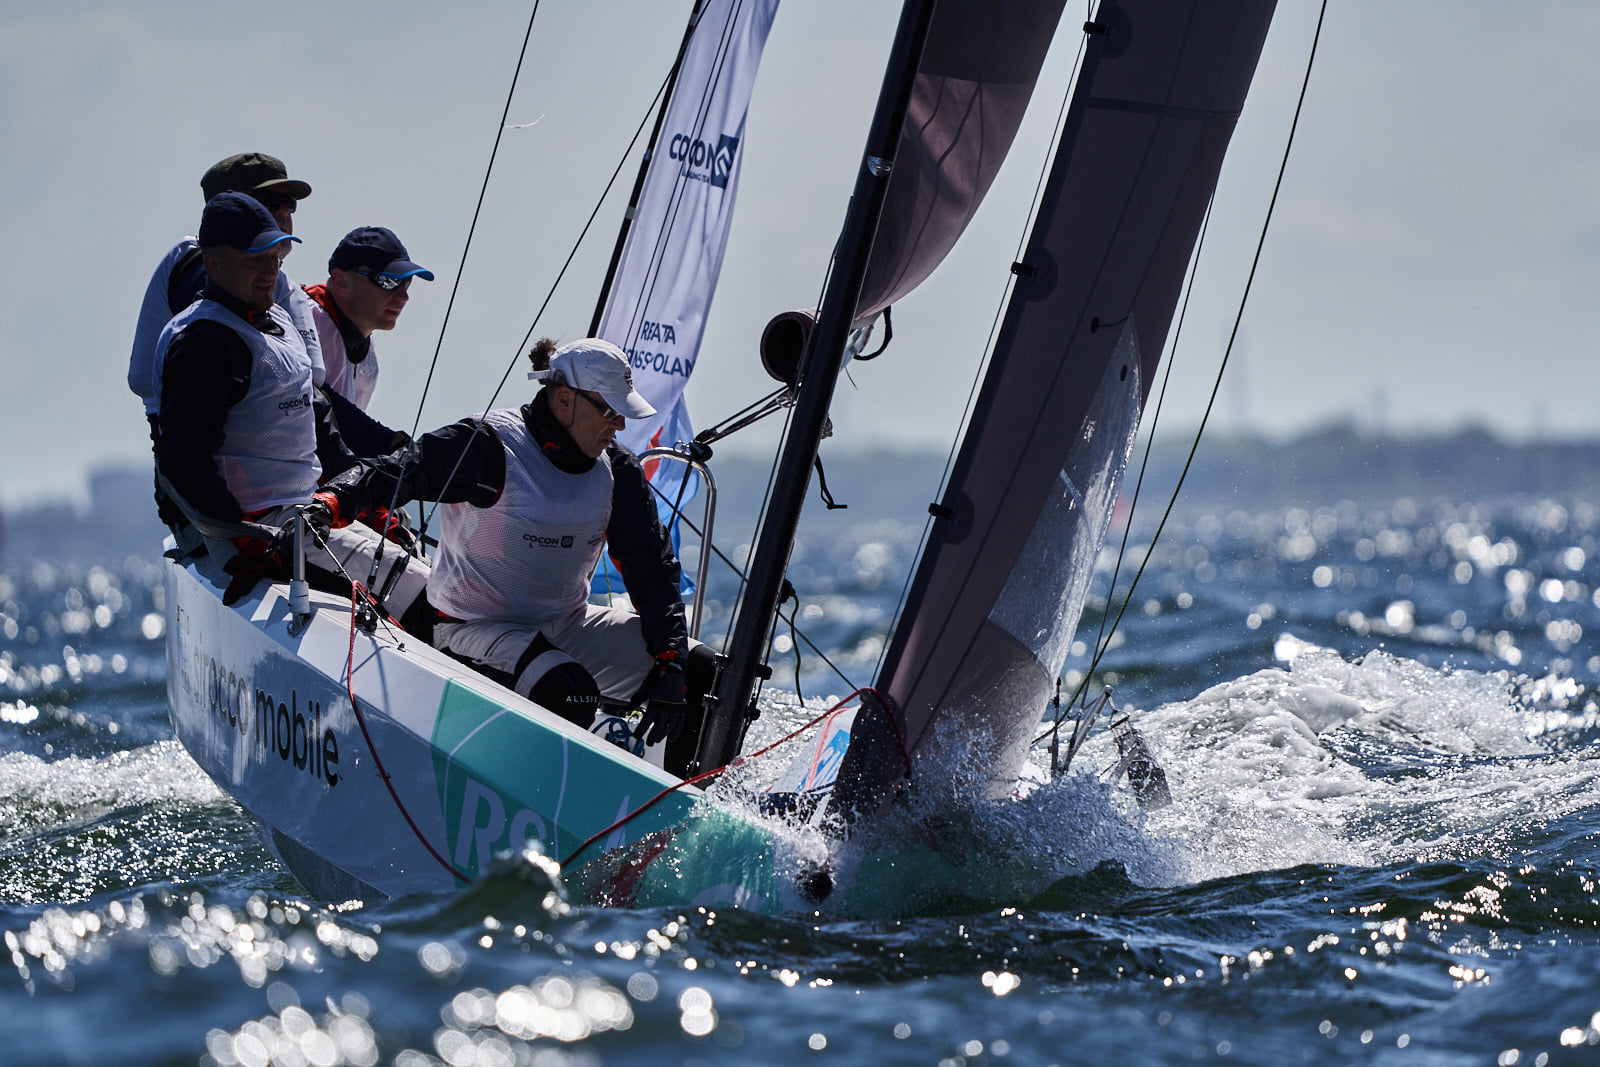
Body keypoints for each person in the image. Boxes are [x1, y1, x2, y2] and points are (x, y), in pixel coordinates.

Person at [361, 338, 711, 773]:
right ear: (564, 399)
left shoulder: (617, 471)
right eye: (609, 411)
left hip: (565, 626)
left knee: (699, 670)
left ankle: (689, 800)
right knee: (569, 689)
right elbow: (399, 470)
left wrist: (671, 661)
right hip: (474, 628)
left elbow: (652, 571)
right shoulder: (491, 446)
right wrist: (333, 502)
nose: (620, 425)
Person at [151, 191, 427, 616]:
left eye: (275, 256)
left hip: (307, 518)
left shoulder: (278, 320)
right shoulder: (202, 342)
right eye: (254, 259)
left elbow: (321, 427)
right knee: (412, 605)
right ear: (213, 263)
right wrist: (244, 540)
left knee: (432, 589)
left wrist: (366, 502)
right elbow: (182, 462)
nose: (270, 271)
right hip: (257, 534)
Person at [302, 227, 434, 457]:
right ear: (341, 281)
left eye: (406, 282)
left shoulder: (368, 358)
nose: (403, 296)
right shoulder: (305, 321)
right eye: (388, 281)